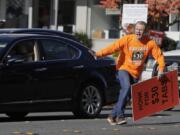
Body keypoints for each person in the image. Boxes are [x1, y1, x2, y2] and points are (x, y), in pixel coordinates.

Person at [96, 21, 165, 125]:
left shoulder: (150, 43)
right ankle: (120, 116)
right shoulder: (127, 39)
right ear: (134, 29)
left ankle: (112, 116)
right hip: (123, 68)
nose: (138, 31)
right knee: (127, 87)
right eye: (137, 29)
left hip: (136, 73)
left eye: (141, 30)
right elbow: (113, 47)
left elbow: (159, 56)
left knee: (126, 96)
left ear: (145, 31)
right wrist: (98, 54)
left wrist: (161, 69)